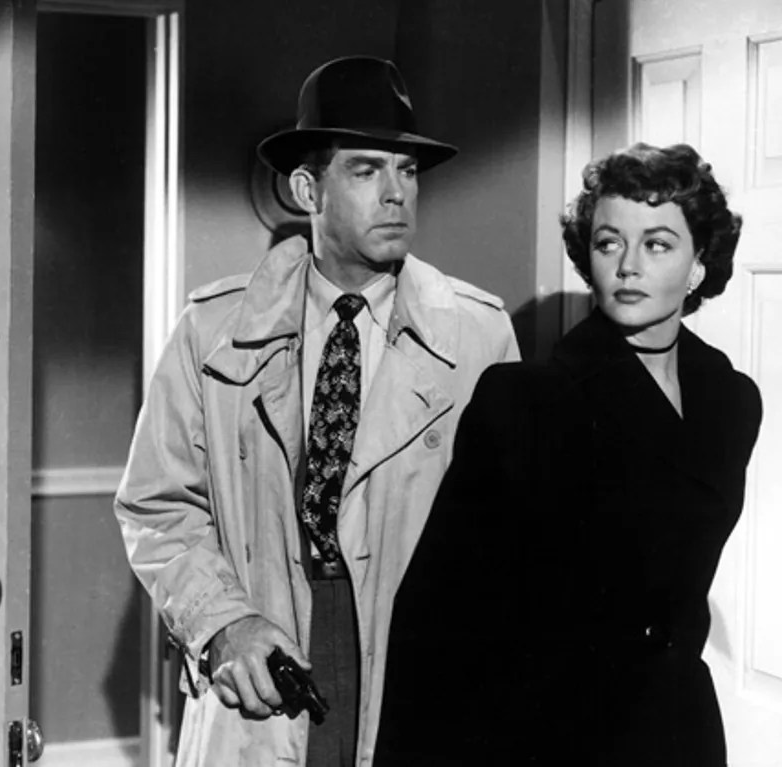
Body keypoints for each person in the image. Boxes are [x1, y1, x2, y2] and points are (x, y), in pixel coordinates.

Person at [114, 55, 519, 766]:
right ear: (308, 188)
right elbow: (157, 506)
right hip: (265, 660)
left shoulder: (478, 334)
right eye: (366, 171)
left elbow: (510, 536)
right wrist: (223, 623)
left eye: (407, 172)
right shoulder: (213, 330)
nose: (396, 194)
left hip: (413, 667)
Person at [375, 142, 762, 766]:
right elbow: (436, 618)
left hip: (677, 730)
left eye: (657, 244)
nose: (628, 266)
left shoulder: (733, 401)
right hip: (554, 734)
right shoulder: (525, 401)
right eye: (609, 243)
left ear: (698, 264)